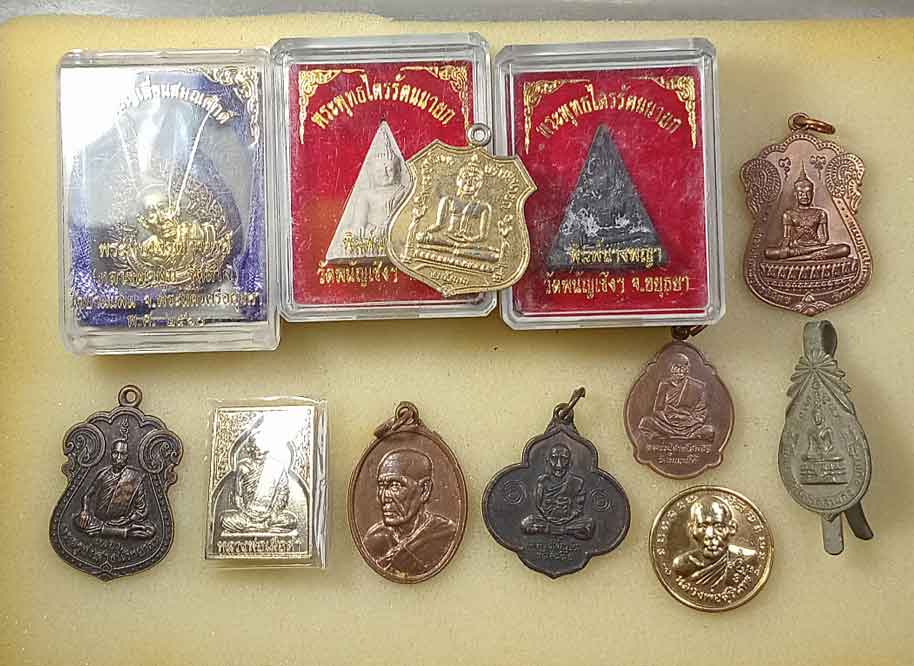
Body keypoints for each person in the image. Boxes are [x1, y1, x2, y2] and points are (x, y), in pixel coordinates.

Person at [363, 449, 457, 577]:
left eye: (395, 485)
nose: (383, 498)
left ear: (424, 490)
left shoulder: (445, 535)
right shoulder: (374, 539)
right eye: (381, 486)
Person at [74, 426, 155, 540]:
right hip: (98, 520)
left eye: (122, 454)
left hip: (123, 522)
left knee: (150, 530)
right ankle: (120, 532)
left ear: (127, 456)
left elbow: (141, 510)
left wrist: (128, 519)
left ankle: (105, 530)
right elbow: (87, 495)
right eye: (115, 453)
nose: (118, 458)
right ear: (111, 454)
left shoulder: (135, 477)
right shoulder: (103, 474)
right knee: (77, 521)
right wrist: (85, 510)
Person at [220, 419, 298, 535]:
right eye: (256, 449)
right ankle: (258, 526)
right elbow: (237, 496)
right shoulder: (243, 467)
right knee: (224, 519)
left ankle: (257, 526)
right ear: (250, 448)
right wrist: (246, 513)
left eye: (262, 451)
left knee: (291, 520)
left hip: (270, 517)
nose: (259, 453)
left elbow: (283, 493)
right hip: (246, 517)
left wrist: (272, 513)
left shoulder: (276, 467)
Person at [764, 165, 851, 261]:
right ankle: (810, 256)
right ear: (795, 195)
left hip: (816, 247)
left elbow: (824, 238)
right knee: (768, 252)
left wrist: (817, 244)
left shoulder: (820, 213)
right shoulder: (789, 214)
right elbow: (786, 237)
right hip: (796, 248)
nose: (804, 196)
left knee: (844, 248)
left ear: (813, 194)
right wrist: (785, 247)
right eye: (801, 193)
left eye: (808, 193)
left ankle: (809, 256)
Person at [672, 496, 757, 590]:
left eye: (718, 527)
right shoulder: (681, 565)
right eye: (703, 527)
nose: (710, 535)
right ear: (692, 529)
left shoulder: (747, 559)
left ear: (732, 528)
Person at [521, 443, 594, 540]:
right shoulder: (542, 481)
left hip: (569, 521)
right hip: (546, 520)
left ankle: (554, 530)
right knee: (526, 524)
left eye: (564, 459)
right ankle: (562, 530)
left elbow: (578, 508)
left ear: (570, 463)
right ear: (548, 461)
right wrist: (551, 509)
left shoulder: (577, 482)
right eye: (554, 458)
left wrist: (568, 508)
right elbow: (539, 505)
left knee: (589, 524)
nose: (558, 465)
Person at [639, 353, 715, 441]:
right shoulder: (664, 385)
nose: (680, 370)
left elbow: (701, 413)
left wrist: (688, 421)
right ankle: (685, 437)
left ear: (687, 369)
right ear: (671, 368)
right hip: (667, 423)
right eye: (676, 367)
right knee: (645, 422)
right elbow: (658, 410)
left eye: (683, 367)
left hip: (689, 425)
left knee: (710, 430)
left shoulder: (698, 387)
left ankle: (670, 437)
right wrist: (668, 420)